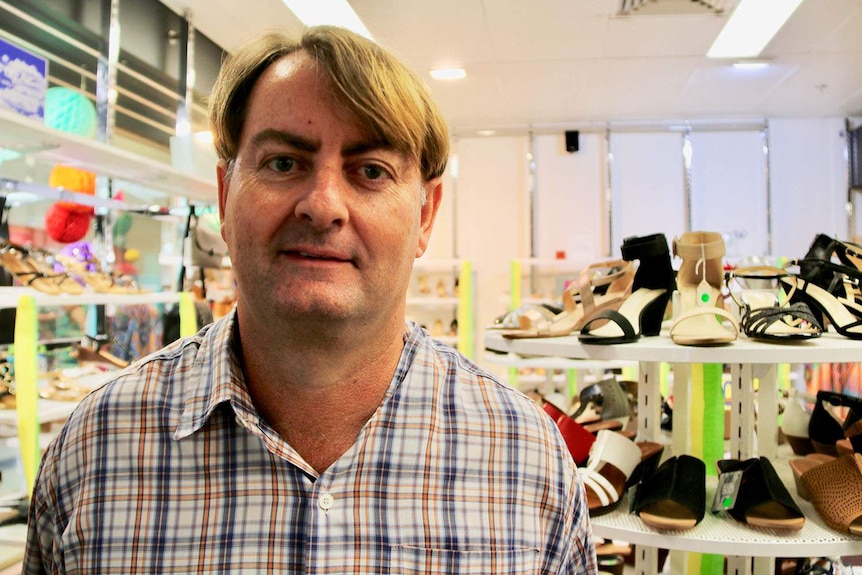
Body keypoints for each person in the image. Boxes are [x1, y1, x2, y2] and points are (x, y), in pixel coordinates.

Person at [24, 26, 597, 573]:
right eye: (283, 163)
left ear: (425, 215)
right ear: (225, 197)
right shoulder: (93, 452)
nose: (322, 206)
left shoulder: (528, 463)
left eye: (370, 171)